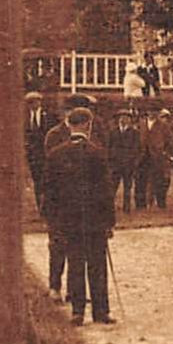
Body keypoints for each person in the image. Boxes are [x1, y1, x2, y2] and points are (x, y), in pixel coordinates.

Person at [42, 107, 117, 326]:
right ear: (87, 125)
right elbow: (105, 191)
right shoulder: (97, 152)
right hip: (94, 221)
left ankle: (77, 311)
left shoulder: (55, 154)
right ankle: (101, 312)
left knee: (75, 264)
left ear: (70, 125)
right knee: (97, 265)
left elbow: (49, 192)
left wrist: (53, 222)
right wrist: (109, 222)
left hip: (68, 221)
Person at [137, 105, 172, 210]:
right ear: (147, 112)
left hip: (157, 156)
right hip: (143, 156)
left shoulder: (163, 125)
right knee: (141, 180)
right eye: (151, 111)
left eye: (155, 111)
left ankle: (161, 203)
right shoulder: (141, 124)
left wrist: (165, 152)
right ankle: (141, 205)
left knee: (159, 180)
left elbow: (168, 140)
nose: (152, 113)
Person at [108, 109, 141, 213]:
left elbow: (137, 148)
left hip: (128, 164)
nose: (123, 119)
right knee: (113, 186)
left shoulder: (135, 133)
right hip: (115, 164)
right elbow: (109, 147)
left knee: (127, 187)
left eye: (126, 117)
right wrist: (111, 160)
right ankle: (110, 207)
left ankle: (126, 208)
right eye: (121, 117)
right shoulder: (113, 132)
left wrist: (133, 160)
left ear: (130, 120)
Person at [23, 91, 51, 212]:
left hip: (46, 154)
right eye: (30, 103)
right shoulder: (24, 118)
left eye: (35, 101)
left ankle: (48, 206)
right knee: (37, 181)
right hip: (33, 156)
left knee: (48, 181)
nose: (33, 104)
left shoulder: (48, 116)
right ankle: (40, 206)